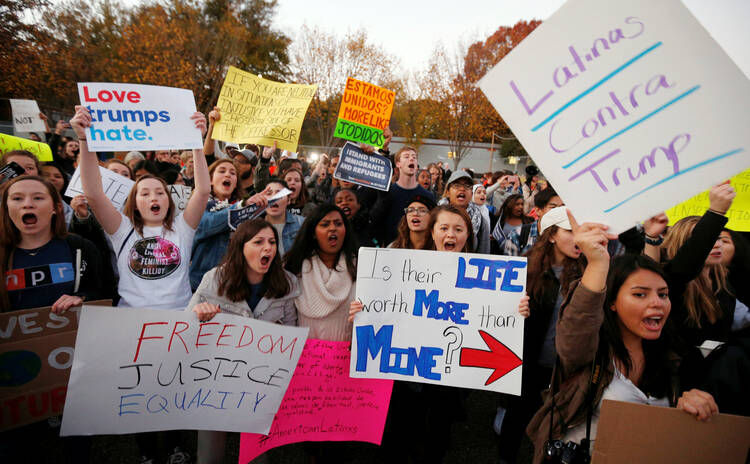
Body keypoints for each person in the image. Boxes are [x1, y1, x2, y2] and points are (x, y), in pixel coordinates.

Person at [526, 211, 718, 463]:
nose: (657, 303)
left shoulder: (674, 359)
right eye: (639, 295)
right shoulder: (588, 354)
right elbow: (579, 321)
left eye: (663, 294)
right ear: (612, 302)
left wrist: (688, 411)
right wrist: (596, 264)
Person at [71, 105, 210, 309]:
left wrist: (196, 143)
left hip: (179, 319)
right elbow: (94, 194)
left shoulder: (183, 227)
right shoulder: (122, 229)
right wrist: (84, 139)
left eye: (160, 192)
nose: (153, 196)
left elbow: (203, 191)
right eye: (144, 193)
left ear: (168, 201)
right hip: (132, 321)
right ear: (134, 204)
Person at [187, 219, 299, 464]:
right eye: (258, 242)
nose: (267, 248)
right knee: (209, 454)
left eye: (271, 242)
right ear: (240, 247)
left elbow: (292, 330)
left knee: (257, 453)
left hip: (260, 380)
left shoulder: (287, 282)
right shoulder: (214, 278)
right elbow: (186, 325)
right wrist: (200, 317)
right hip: (216, 379)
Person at [496, 206, 584, 463]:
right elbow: (497, 312)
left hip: (567, 367)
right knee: (517, 416)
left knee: (558, 424)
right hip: (527, 363)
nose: (579, 237)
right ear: (552, 235)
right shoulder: (524, 268)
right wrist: (516, 308)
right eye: (571, 231)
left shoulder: (589, 271)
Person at [644, 183, 743, 346]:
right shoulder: (672, 281)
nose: (716, 244)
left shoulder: (724, 282)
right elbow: (684, 266)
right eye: (709, 240)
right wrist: (716, 212)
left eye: (718, 238)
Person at [0, 175, 102, 311]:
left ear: (56, 207)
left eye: (38, 198)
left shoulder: (81, 248)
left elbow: (104, 292)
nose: (27, 204)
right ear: (6, 207)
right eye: (17, 198)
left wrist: (82, 298)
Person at [189, 158, 269, 290]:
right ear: (210, 180)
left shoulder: (245, 209)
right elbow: (208, 224)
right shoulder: (200, 205)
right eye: (222, 171)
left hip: (237, 283)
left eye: (232, 173)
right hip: (203, 284)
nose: (227, 175)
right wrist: (242, 206)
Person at [370, 146, 435, 245]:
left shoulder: (428, 196)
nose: (411, 158)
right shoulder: (387, 193)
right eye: (406, 156)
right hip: (390, 249)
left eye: (414, 157)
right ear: (398, 164)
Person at [438, 171, 490, 253]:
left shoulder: (480, 221)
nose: (462, 189)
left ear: (471, 193)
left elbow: (484, 253)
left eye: (467, 186)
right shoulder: (435, 215)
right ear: (447, 192)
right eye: (457, 185)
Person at [263, 178, 304, 257]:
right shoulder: (255, 227)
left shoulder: (302, 224)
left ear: (288, 200)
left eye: (279, 194)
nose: (273, 198)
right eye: (269, 194)